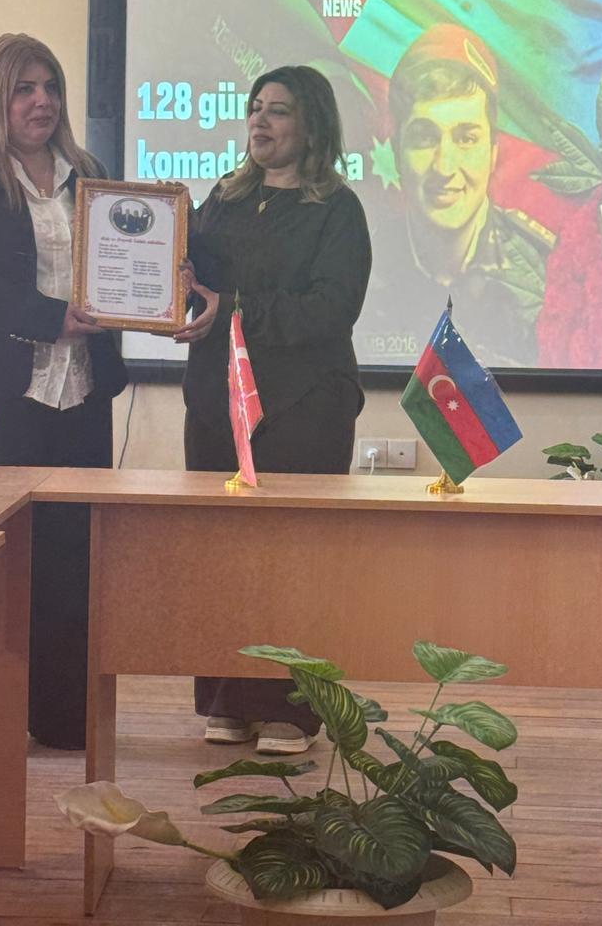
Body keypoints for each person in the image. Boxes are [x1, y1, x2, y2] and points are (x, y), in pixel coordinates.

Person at [0, 33, 127, 749]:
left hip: (83, 394)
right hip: (4, 396)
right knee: (0, 564)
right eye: (25, 89)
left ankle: (65, 718)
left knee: (75, 562)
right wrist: (48, 318)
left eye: (52, 87)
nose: (43, 102)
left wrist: (161, 288)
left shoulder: (88, 174)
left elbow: (123, 261)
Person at [174, 65, 372, 755]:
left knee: (292, 559)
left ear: (311, 127)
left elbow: (331, 309)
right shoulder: (223, 199)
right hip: (215, 404)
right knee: (220, 558)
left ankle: (292, 710)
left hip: (303, 408)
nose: (260, 120)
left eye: (278, 110)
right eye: (255, 107)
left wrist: (232, 308)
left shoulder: (337, 210)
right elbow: (191, 287)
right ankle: (228, 699)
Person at [368, 24, 555, 367]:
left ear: (493, 153)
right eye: (424, 138)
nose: (445, 166)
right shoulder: (362, 264)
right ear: (396, 152)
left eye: (466, 138)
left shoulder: (545, 270)